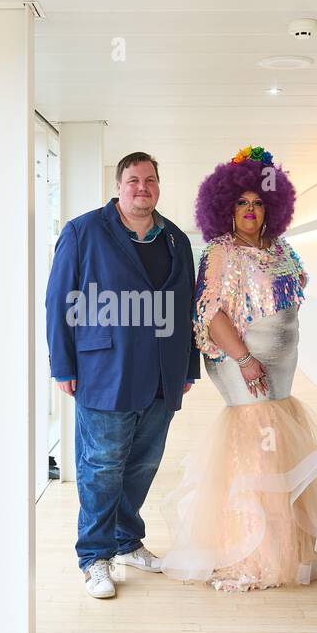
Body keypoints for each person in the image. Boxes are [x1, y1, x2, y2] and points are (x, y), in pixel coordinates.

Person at [160, 146, 317, 592]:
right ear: (225, 208)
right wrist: (244, 359)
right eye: (241, 203)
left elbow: (297, 284)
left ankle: (287, 544)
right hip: (240, 359)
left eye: (258, 202)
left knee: (277, 444)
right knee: (255, 444)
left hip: (281, 363)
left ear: (272, 208)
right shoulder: (221, 252)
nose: (249, 209)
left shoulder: (281, 247)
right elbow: (208, 311)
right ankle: (249, 550)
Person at [45, 152, 200, 599]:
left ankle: (126, 542)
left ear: (158, 186)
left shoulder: (174, 238)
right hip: (104, 370)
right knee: (101, 467)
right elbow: (59, 301)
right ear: (118, 186)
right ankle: (94, 557)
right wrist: (63, 364)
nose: (142, 188)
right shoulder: (83, 231)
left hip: (160, 374)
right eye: (133, 180)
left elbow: (185, 309)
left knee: (143, 464)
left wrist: (187, 365)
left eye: (150, 180)